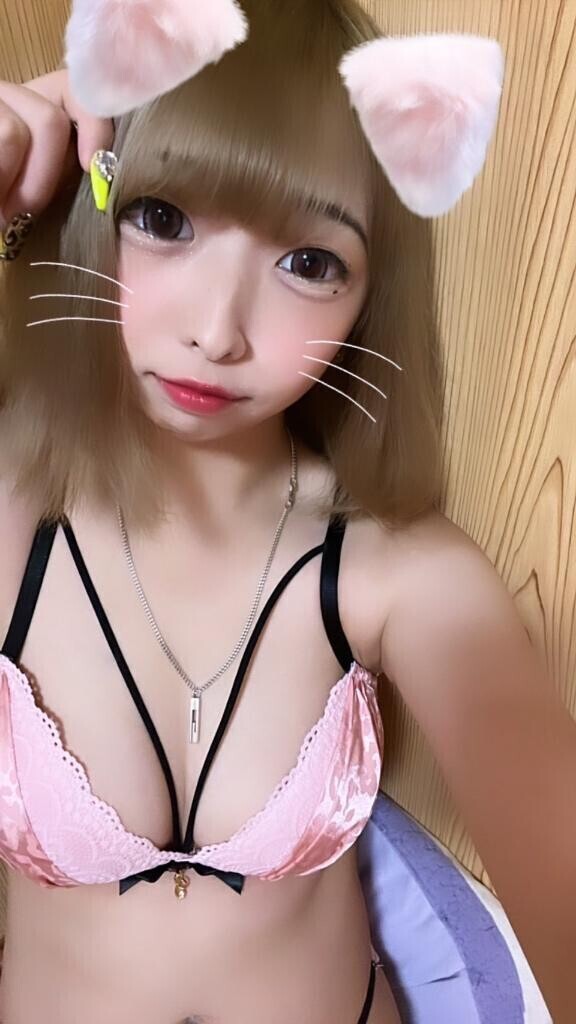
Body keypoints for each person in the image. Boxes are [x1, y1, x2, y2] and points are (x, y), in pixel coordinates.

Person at [0, 1, 574, 1022]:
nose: (218, 331)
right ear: (96, 201)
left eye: (309, 263)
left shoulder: (400, 572)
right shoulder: (13, 513)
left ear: (369, 298)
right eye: (162, 218)